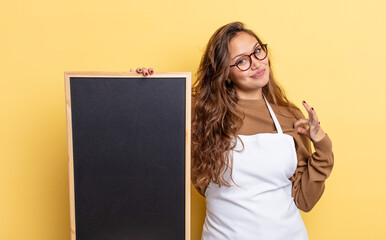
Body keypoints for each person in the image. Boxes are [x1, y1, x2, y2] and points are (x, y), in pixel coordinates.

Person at [134, 21, 334, 240]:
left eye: (257, 51)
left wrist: (322, 144)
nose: (256, 64)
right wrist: (146, 84)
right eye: (241, 61)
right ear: (225, 74)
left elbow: (305, 201)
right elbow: (144, 128)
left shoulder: (289, 116)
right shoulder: (198, 113)